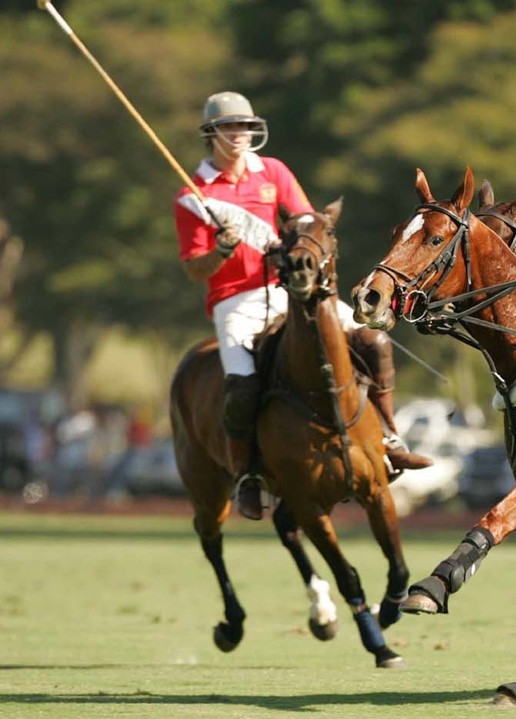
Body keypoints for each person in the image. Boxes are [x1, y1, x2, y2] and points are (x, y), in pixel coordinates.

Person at [174, 91, 427, 520]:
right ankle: (247, 474)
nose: (240, 134)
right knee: (241, 383)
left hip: (287, 289)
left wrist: (298, 251)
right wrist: (220, 251)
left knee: (372, 341)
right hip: (234, 300)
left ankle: (389, 438)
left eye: (246, 126)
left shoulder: (272, 171)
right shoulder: (195, 194)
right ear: (212, 134)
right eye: (230, 127)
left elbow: (309, 221)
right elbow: (195, 271)